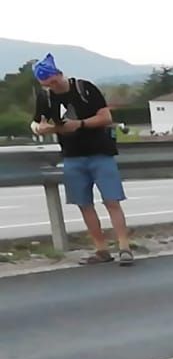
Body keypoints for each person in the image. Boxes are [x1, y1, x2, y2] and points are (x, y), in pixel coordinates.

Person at [30, 54, 133, 265]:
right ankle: (101, 249)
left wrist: (80, 124)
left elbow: (106, 117)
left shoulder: (85, 88)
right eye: (46, 84)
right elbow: (35, 122)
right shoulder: (45, 97)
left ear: (59, 74)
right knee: (84, 204)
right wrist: (41, 128)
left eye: (53, 81)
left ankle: (124, 247)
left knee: (111, 201)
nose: (52, 86)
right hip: (72, 156)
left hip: (100, 153)